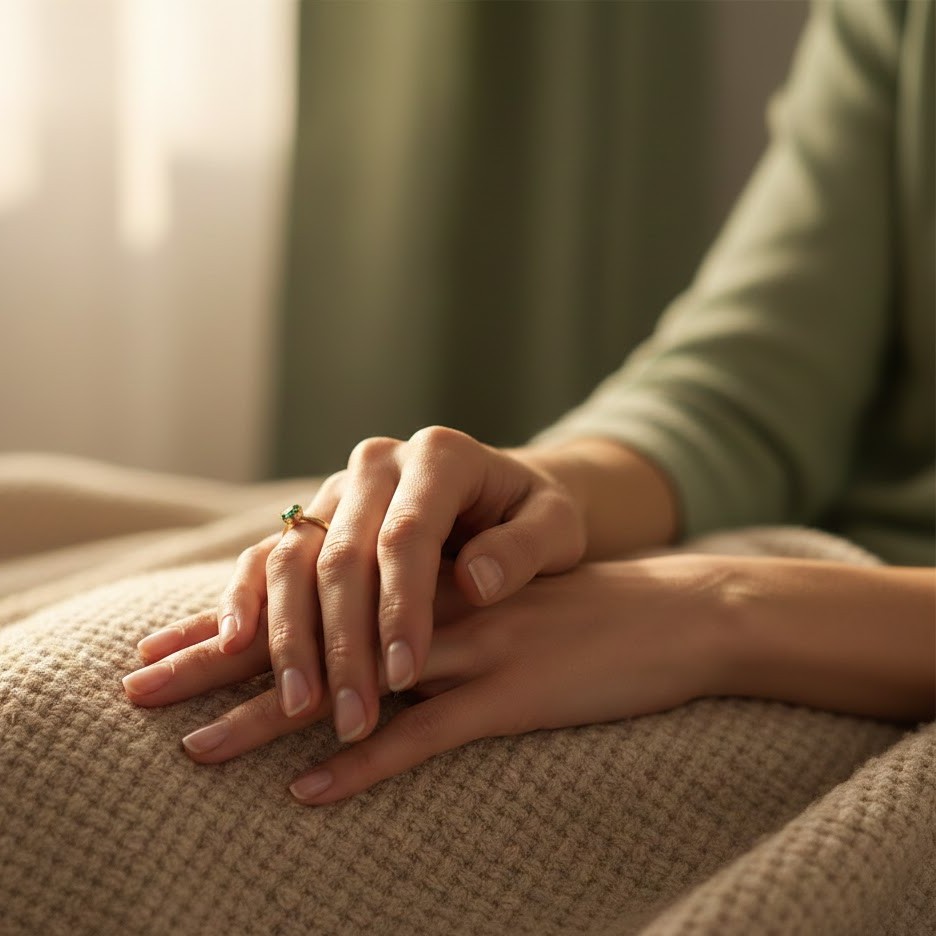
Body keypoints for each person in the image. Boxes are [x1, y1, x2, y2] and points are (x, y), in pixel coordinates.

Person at [123, 0, 934, 806]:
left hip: (843, 653)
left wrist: (721, 609)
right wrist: (536, 497)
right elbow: (744, 392)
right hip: (739, 563)